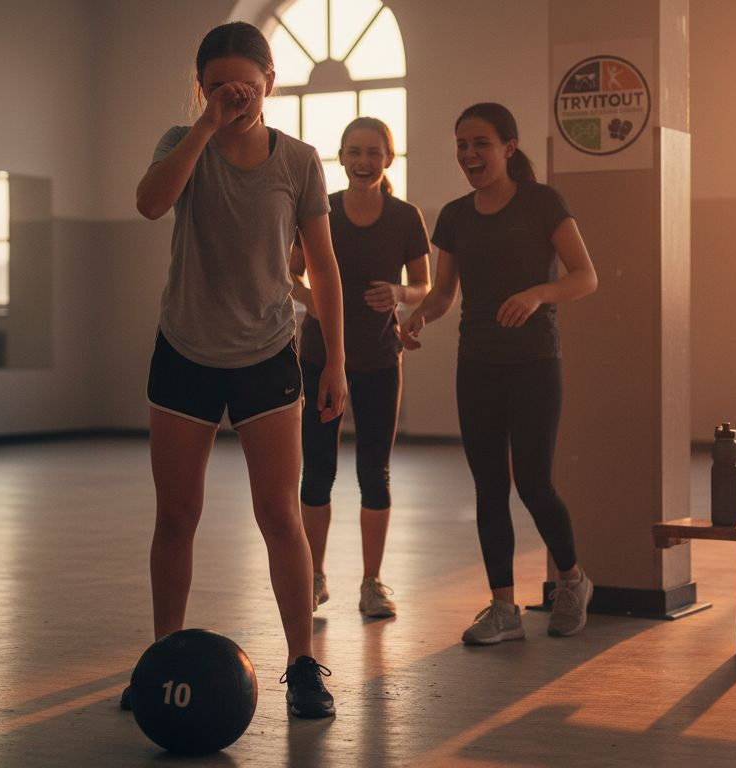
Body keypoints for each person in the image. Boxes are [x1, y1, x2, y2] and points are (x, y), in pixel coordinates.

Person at [131, 20, 348, 718]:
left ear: (270, 85)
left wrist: (335, 360)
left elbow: (323, 267)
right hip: (186, 350)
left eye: (247, 89)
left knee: (280, 517)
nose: (236, 100)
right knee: (177, 515)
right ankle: (161, 661)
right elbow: (149, 202)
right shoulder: (180, 144)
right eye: (220, 88)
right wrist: (203, 128)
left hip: (264, 355)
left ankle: (302, 664)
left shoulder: (300, 161)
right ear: (201, 89)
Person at [400, 102, 598, 645]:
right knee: (489, 487)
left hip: (534, 361)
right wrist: (418, 316)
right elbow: (444, 293)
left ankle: (573, 580)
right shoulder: (455, 215)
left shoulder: (542, 203)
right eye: (461, 145)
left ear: (509, 147)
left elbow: (585, 276)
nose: (469, 154)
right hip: (478, 364)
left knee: (534, 482)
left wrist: (539, 294)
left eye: (480, 143)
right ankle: (504, 607)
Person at [289, 117, 430, 619]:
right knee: (318, 470)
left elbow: (423, 286)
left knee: (375, 471)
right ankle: (315, 577)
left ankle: (372, 582)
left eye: (373, 153)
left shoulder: (406, 216)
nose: (363, 162)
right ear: (341, 158)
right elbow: (290, 273)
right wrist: (313, 301)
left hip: (377, 359)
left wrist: (399, 294)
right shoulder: (319, 211)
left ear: (388, 158)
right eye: (354, 152)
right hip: (319, 358)